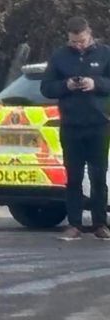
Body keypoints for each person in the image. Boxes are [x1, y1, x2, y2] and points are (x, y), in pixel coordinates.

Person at [40, 17, 110, 241]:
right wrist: (66, 85)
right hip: (71, 125)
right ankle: (75, 224)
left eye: (81, 41)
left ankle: (100, 223)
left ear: (89, 34)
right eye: (73, 41)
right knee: (73, 177)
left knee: (99, 176)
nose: (77, 45)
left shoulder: (105, 54)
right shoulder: (60, 56)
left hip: (99, 124)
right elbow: (46, 88)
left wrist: (95, 83)